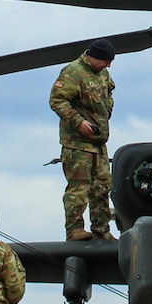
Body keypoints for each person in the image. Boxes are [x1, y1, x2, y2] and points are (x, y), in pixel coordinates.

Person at [49, 38, 116, 240]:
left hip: (99, 143)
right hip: (77, 144)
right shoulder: (73, 72)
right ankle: (75, 229)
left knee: (102, 187)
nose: (109, 65)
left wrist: (107, 109)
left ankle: (101, 229)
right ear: (94, 57)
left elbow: (110, 91)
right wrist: (79, 122)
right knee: (79, 188)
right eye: (106, 61)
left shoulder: (103, 73)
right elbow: (57, 100)